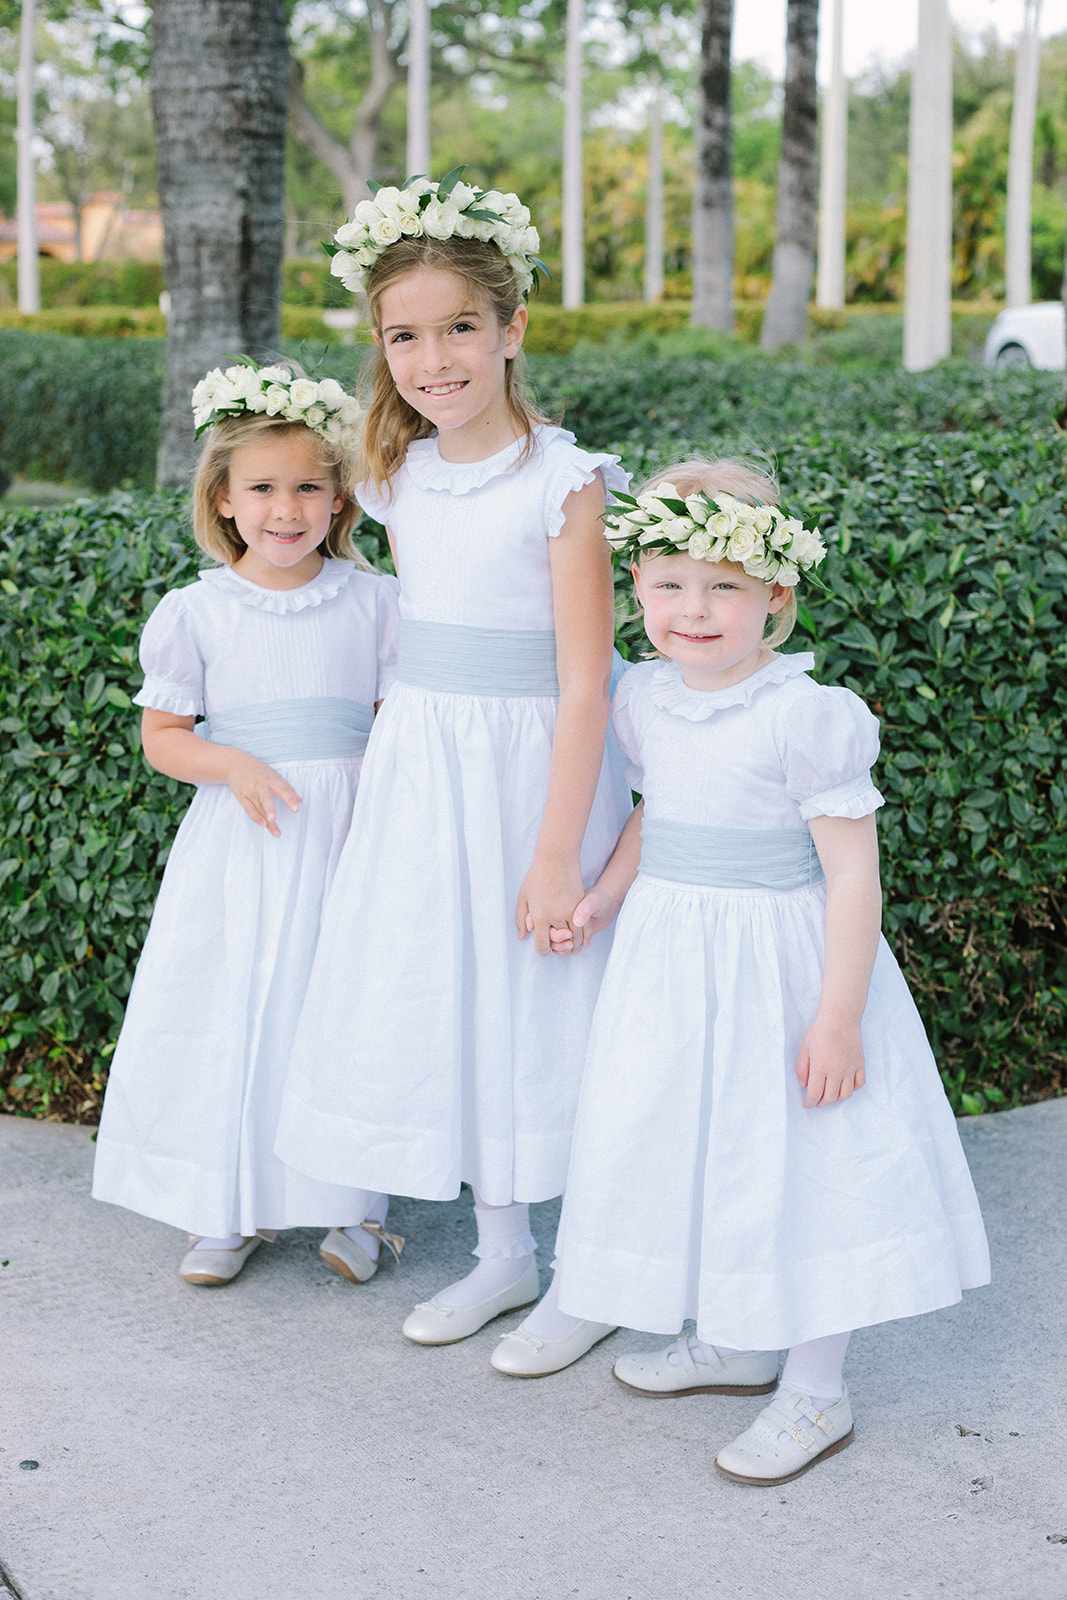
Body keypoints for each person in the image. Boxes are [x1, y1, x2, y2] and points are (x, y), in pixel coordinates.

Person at [515, 458, 990, 1483]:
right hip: (671, 964)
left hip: (781, 970)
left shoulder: (805, 714)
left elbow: (851, 875)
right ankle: (734, 1337)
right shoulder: (645, 698)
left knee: (801, 1166)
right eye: (670, 584)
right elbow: (655, 816)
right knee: (701, 1148)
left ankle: (815, 1389)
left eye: (723, 587)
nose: (693, 610)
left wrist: (837, 1017)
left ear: (774, 594)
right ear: (636, 586)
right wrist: (598, 898)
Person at [275, 173, 632, 1352]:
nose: (435, 359)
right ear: (380, 347)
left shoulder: (562, 484)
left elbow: (585, 681)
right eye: (405, 336)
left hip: (535, 774)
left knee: (546, 1002)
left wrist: (554, 853)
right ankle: (502, 1252)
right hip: (426, 768)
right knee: (458, 994)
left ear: (512, 327)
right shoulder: (395, 477)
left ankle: (592, 1271)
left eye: (461, 327)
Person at [92, 362, 404, 1289]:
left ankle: (356, 1206)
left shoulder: (375, 602)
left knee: (343, 1010)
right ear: (223, 498)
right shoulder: (196, 612)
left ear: (339, 496)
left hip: (348, 834)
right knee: (235, 1012)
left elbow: (396, 723)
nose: (285, 508)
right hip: (244, 841)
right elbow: (163, 738)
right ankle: (226, 1205)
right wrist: (232, 765)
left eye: (308, 486)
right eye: (262, 488)